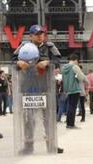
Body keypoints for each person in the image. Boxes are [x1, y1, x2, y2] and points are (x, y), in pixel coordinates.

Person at [13, 24, 63, 154]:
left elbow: (58, 60)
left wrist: (48, 63)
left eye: (42, 34)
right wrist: (18, 63)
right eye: (37, 34)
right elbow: (13, 59)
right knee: (28, 118)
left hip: (45, 87)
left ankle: (51, 144)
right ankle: (28, 146)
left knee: (48, 118)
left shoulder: (49, 47)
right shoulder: (24, 47)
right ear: (31, 36)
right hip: (27, 86)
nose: (41, 36)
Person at [61, 54, 85, 129]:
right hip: (75, 89)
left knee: (69, 106)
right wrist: (77, 77)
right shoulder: (74, 67)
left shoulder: (64, 67)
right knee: (73, 107)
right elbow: (81, 78)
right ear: (75, 60)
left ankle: (68, 123)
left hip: (67, 89)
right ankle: (71, 124)